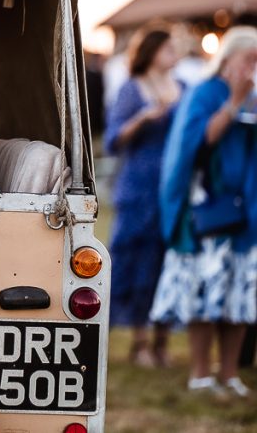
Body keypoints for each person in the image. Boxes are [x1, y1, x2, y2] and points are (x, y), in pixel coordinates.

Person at [150, 25, 257, 397]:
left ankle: (229, 374)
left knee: (238, 297)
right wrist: (234, 102)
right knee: (203, 295)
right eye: (250, 60)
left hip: (247, 214)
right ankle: (200, 373)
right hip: (206, 212)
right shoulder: (205, 93)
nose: (254, 68)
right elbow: (196, 144)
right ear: (228, 59)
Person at [103, 25, 182, 366]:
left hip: (174, 186)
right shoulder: (131, 89)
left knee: (169, 261)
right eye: (168, 49)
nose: (174, 55)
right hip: (139, 186)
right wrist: (144, 118)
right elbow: (112, 140)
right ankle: (139, 342)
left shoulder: (184, 87)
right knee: (138, 262)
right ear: (151, 52)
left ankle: (163, 340)